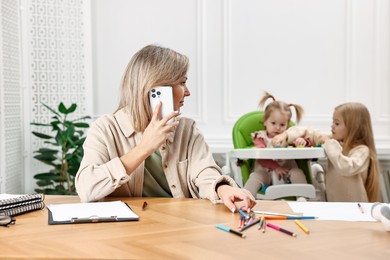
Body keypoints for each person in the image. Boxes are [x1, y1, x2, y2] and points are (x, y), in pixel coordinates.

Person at [75, 44, 256, 212]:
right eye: (182, 82)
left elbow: (205, 172)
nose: (187, 92)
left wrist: (223, 189)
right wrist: (144, 148)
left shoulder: (186, 130)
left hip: (178, 225)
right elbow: (87, 189)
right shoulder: (105, 129)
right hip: (126, 231)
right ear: (158, 89)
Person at [272, 102, 380, 202]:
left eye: (337, 123)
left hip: (356, 209)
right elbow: (308, 131)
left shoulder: (362, 150)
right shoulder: (333, 141)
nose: (332, 126)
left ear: (353, 127)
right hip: (335, 206)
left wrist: (329, 143)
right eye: (333, 122)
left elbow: (346, 167)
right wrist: (285, 135)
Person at [243, 91, 308, 198]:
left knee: (297, 172)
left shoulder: (288, 136)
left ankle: (303, 198)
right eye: (273, 123)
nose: (278, 128)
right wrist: (276, 167)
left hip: (287, 170)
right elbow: (260, 157)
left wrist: (302, 142)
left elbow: (303, 144)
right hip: (266, 172)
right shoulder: (260, 138)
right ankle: (245, 197)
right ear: (265, 121)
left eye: (282, 124)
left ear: (287, 125)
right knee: (255, 176)